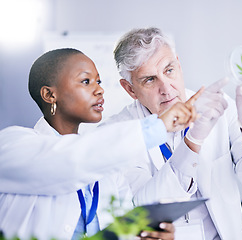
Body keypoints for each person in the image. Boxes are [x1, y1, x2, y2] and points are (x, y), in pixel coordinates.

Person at [103, 27, 242, 240]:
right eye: (150, 80)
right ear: (130, 89)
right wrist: (193, 141)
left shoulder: (218, 106)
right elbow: (143, 212)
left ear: (179, 64)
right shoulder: (117, 133)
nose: (166, 88)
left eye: (169, 70)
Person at [0, 48, 203, 240]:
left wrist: (146, 234)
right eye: (86, 81)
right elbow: (69, 162)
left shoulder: (109, 171)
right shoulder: (12, 145)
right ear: (50, 95)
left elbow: (119, 231)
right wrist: (157, 127)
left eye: (99, 81)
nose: (100, 90)